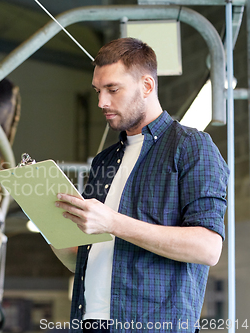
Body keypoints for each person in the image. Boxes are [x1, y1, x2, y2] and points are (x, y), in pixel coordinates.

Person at [52, 38, 229, 333]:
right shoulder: (104, 161)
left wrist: (112, 222)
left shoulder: (191, 147)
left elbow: (208, 247)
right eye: (98, 91)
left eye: (113, 89)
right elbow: (81, 256)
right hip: (89, 323)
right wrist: (53, 223)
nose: (101, 102)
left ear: (146, 86)